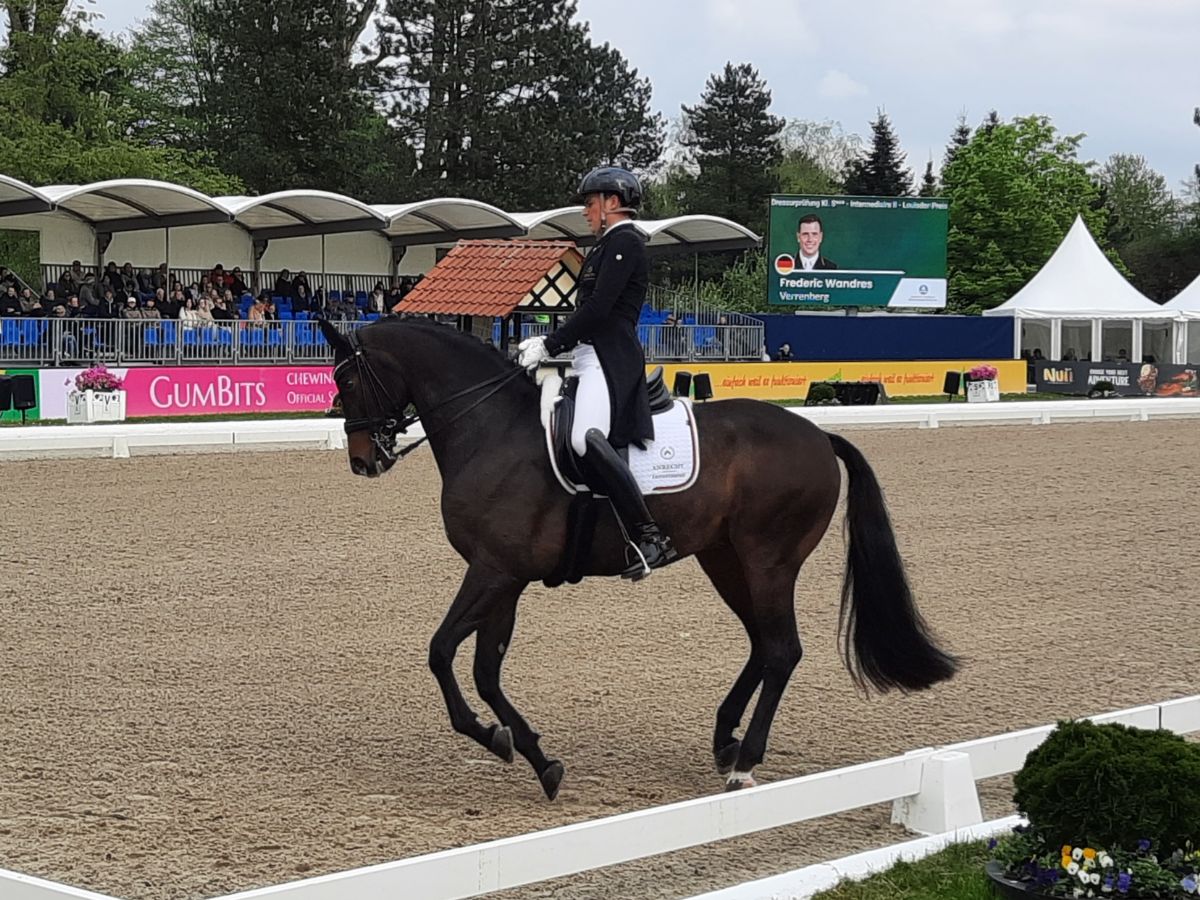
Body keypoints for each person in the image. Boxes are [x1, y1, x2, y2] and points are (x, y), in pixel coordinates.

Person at [517, 166, 677, 580]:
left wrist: (550, 344)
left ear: (611, 203)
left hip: (611, 357)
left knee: (582, 437)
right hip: (589, 354)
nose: (586, 212)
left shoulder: (626, 243)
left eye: (590, 204)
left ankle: (649, 536)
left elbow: (599, 310)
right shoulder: (604, 247)